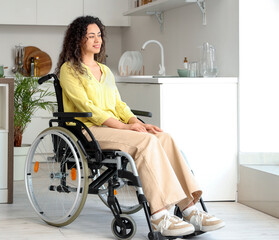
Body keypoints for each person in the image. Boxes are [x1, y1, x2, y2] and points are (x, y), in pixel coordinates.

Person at [55, 15, 225, 237]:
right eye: (90, 36)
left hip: (115, 127)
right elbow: (89, 108)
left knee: (164, 138)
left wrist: (136, 122)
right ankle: (159, 216)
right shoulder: (70, 70)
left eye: (99, 35)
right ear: (78, 40)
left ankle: (190, 209)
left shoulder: (105, 71)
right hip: (89, 130)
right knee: (145, 143)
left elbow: (118, 104)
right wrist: (124, 128)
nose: (97, 40)